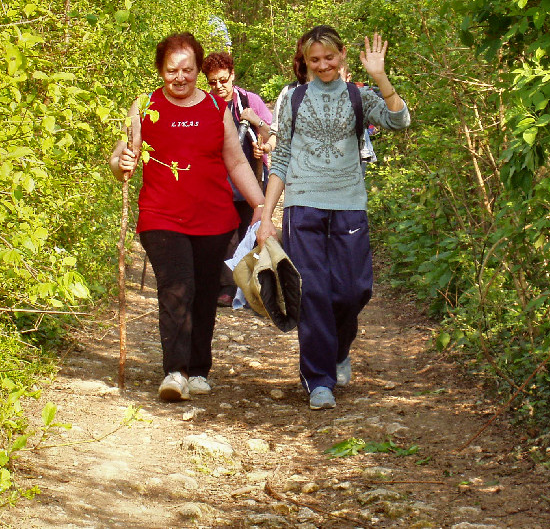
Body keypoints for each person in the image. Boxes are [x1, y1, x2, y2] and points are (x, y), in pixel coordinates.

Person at [109, 33, 274, 402]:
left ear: (199, 69)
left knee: (202, 294)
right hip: (161, 216)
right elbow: (125, 155)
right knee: (176, 287)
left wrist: (261, 206)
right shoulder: (146, 105)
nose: (180, 77)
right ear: (160, 70)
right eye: (171, 70)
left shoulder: (216, 108)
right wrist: (119, 161)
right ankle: (174, 371)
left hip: (214, 220)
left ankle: (199, 370)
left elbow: (234, 161)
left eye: (187, 69)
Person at [257, 26, 411, 410]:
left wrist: (380, 76)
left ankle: (339, 350)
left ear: (343, 55)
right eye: (314, 59)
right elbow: (281, 158)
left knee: (353, 291)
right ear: (305, 62)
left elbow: (399, 121)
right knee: (313, 293)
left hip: (349, 205)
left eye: (329, 57)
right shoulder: (293, 98)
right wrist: (266, 215)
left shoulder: (361, 96)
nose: (323, 65)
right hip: (303, 204)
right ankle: (318, 378)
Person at [201, 52, 273, 306]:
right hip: (219, 180)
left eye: (223, 80)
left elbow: (274, 135)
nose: (218, 86)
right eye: (212, 82)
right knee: (226, 233)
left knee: (250, 233)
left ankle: (251, 286)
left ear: (232, 75)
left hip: (251, 176)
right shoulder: (205, 104)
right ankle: (226, 286)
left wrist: (259, 131)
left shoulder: (249, 100)